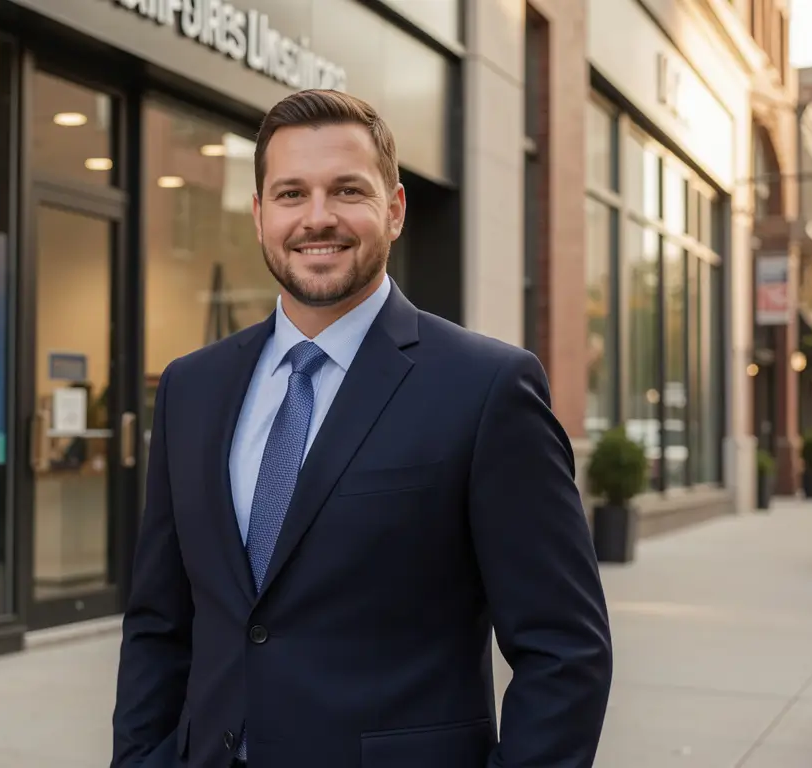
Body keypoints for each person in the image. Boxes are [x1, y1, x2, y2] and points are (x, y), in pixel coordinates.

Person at [111, 89, 612, 768]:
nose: (317, 218)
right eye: (291, 194)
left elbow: (565, 651)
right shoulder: (190, 389)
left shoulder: (487, 389)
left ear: (395, 209)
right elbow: (159, 623)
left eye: (346, 190)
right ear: (259, 216)